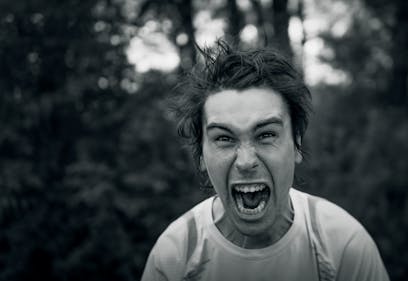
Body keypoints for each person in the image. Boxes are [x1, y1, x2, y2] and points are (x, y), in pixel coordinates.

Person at [141, 40, 390, 281]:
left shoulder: (344, 246)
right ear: (201, 156)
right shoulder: (175, 256)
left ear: (297, 145)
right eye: (224, 138)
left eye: (266, 134)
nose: (246, 161)